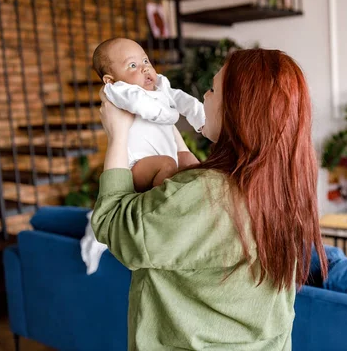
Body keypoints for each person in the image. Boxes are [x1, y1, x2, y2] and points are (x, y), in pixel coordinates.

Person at [92, 49, 328, 350]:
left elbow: (112, 223)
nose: (205, 95)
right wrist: (167, 125)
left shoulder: (207, 194)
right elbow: (188, 178)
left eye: (214, 89)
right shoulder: (283, 187)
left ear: (239, 110)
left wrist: (117, 134)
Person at [92, 37, 204, 192]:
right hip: (138, 166)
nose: (144, 68)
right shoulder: (119, 91)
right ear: (110, 80)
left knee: (191, 163)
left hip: (168, 155)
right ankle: (165, 205)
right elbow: (139, 103)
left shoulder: (160, 86)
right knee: (167, 165)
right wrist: (170, 115)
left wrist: (201, 118)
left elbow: (182, 99)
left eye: (145, 61)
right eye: (133, 65)